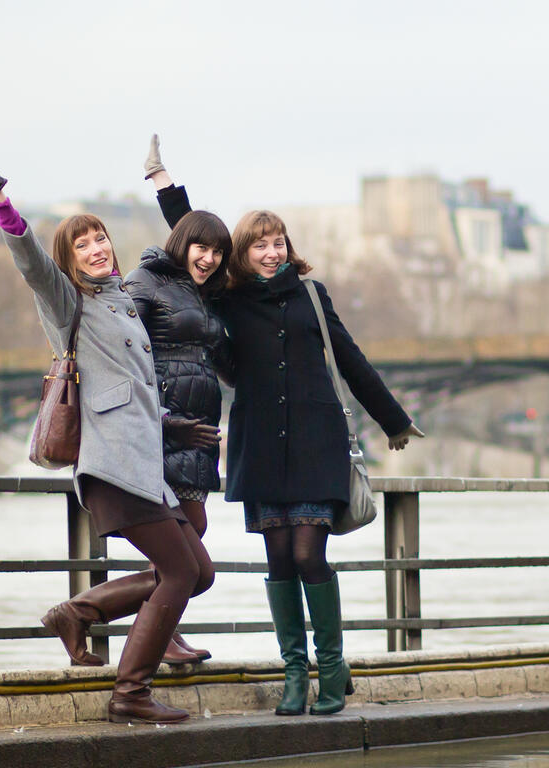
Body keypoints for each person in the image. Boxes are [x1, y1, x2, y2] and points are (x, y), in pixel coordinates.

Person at [0, 146, 215, 724]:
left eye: (100, 239)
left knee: (200, 572)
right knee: (178, 573)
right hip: (114, 467)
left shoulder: (121, 302)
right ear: (69, 260)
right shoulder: (67, 302)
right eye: (82, 244)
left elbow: (131, 393)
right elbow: (30, 266)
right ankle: (129, 693)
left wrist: (176, 426)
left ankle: (78, 613)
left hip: (145, 461)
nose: (96, 249)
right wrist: (4, 206)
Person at [210, 204, 425, 716]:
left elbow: (348, 357)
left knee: (309, 555)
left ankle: (330, 667)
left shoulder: (311, 293)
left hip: (315, 443)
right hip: (261, 445)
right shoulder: (229, 302)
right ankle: (293, 672)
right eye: (259, 244)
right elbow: (194, 242)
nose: (271, 252)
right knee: (279, 560)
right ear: (242, 253)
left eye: (278, 241)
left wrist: (393, 420)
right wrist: (165, 188)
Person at [123, 135, 230, 664]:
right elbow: (122, 349)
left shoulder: (201, 291)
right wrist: (163, 184)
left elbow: (197, 235)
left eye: (217, 252)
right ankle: (103, 617)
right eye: (200, 249)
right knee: (185, 548)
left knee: (190, 540)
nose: (208, 259)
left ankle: (161, 628)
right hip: (165, 423)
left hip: (199, 426)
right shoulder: (146, 280)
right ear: (181, 244)